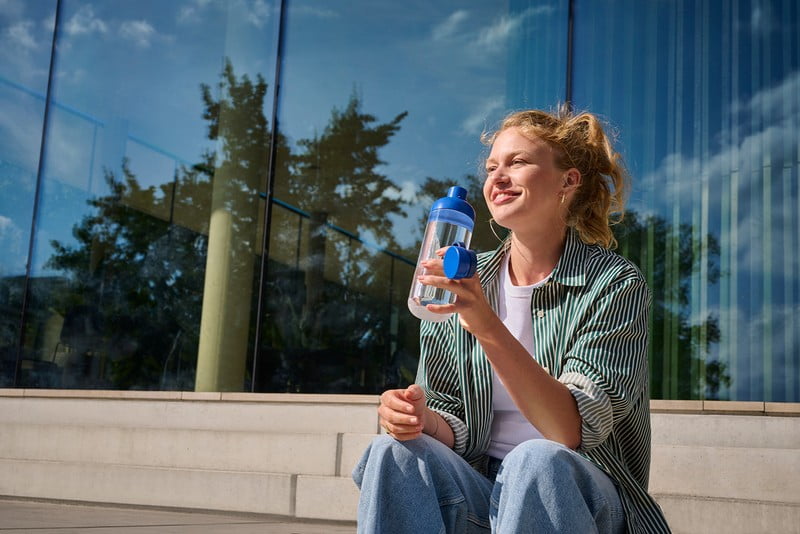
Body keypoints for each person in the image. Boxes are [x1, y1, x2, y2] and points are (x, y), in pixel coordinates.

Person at [352, 108, 671, 533]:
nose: (497, 177)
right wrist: (421, 418)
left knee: (536, 459)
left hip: (580, 499)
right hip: (482, 492)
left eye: (517, 162)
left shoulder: (612, 283)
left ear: (568, 181)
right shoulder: (464, 281)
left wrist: (487, 325)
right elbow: (452, 417)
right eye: (491, 167)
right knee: (392, 452)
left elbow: (567, 431)